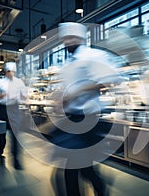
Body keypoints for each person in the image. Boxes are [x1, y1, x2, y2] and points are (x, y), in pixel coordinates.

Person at [49, 22, 123, 196]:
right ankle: (100, 187)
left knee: (72, 167)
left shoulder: (94, 56)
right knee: (82, 167)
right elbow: (65, 89)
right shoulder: (67, 65)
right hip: (70, 119)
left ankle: (99, 187)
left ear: (81, 38)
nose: (68, 41)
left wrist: (77, 92)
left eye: (71, 38)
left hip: (89, 119)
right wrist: (59, 100)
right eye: (65, 38)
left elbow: (109, 81)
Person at [0, 62, 28, 170]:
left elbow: (24, 95)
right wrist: (3, 95)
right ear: (5, 72)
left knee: (16, 135)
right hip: (2, 109)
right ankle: (1, 148)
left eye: (12, 71)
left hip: (15, 109)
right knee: (1, 133)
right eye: (8, 71)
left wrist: (24, 97)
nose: (10, 73)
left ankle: (16, 160)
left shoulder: (19, 82)